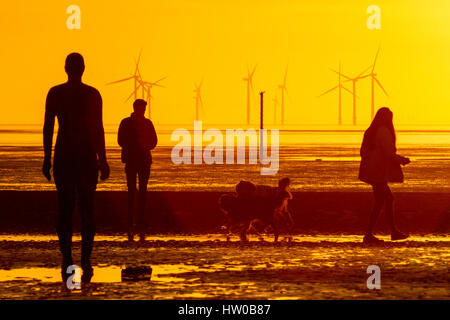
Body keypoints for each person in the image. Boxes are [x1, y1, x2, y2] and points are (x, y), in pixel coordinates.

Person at [43, 53, 110, 283]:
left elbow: (48, 127)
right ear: (83, 68)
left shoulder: (56, 93)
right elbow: (98, 128)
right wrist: (103, 159)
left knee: (66, 210)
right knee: (86, 210)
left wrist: (46, 158)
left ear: (66, 68)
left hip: (65, 156)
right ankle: (84, 259)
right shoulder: (92, 94)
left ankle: (69, 259)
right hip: (84, 157)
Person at [359, 107, 410, 244]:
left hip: (371, 171)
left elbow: (362, 152)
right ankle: (376, 233)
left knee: (383, 200)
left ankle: (385, 232)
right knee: (385, 199)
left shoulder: (370, 131)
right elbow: (388, 153)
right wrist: (402, 160)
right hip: (378, 172)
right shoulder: (383, 131)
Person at [118, 99, 157, 242]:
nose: (143, 111)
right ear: (136, 108)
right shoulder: (126, 123)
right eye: (142, 108)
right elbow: (121, 140)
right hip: (132, 160)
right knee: (132, 190)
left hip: (143, 160)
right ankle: (132, 220)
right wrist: (136, 146)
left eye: (144, 108)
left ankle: (139, 220)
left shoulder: (147, 123)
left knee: (142, 190)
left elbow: (154, 141)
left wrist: (144, 146)